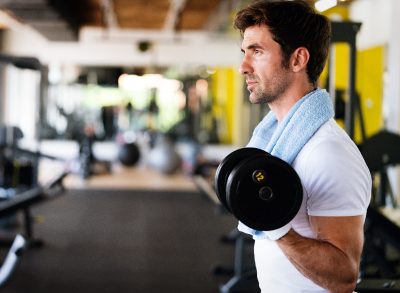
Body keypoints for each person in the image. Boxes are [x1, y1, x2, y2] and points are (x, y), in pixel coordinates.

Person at [234, 1, 372, 292]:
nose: (243, 67)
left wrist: (277, 225)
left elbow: (344, 276)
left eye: (257, 52)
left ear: (297, 60)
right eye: (244, 53)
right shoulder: (273, 142)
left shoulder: (327, 152)